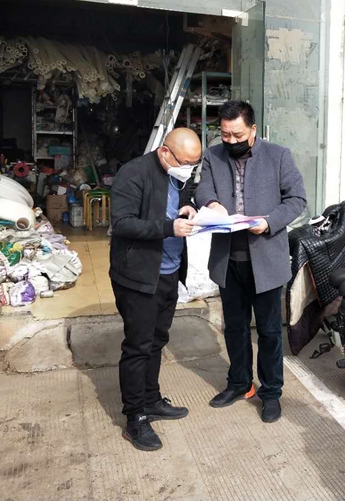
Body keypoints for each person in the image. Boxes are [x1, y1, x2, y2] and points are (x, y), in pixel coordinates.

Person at [195, 101, 306, 424]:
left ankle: (271, 392)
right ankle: (240, 383)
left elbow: (297, 199)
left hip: (266, 259)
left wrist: (269, 222)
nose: (231, 141)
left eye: (238, 135)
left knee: (270, 332)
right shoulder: (213, 155)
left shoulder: (278, 156)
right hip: (228, 258)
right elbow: (202, 190)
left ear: (253, 129)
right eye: (225, 135)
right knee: (235, 327)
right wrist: (211, 203)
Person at [110, 127, 201, 451]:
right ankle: (135, 417)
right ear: (165, 152)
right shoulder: (133, 173)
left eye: (194, 164)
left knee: (158, 340)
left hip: (168, 273)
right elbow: (122, 223)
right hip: (138, 276)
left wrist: (188, 207)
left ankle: (151, 399)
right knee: (138, 346)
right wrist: (168, 227)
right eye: (185, 163)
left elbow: (176, 201)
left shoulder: (177, 174)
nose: (188, 170)